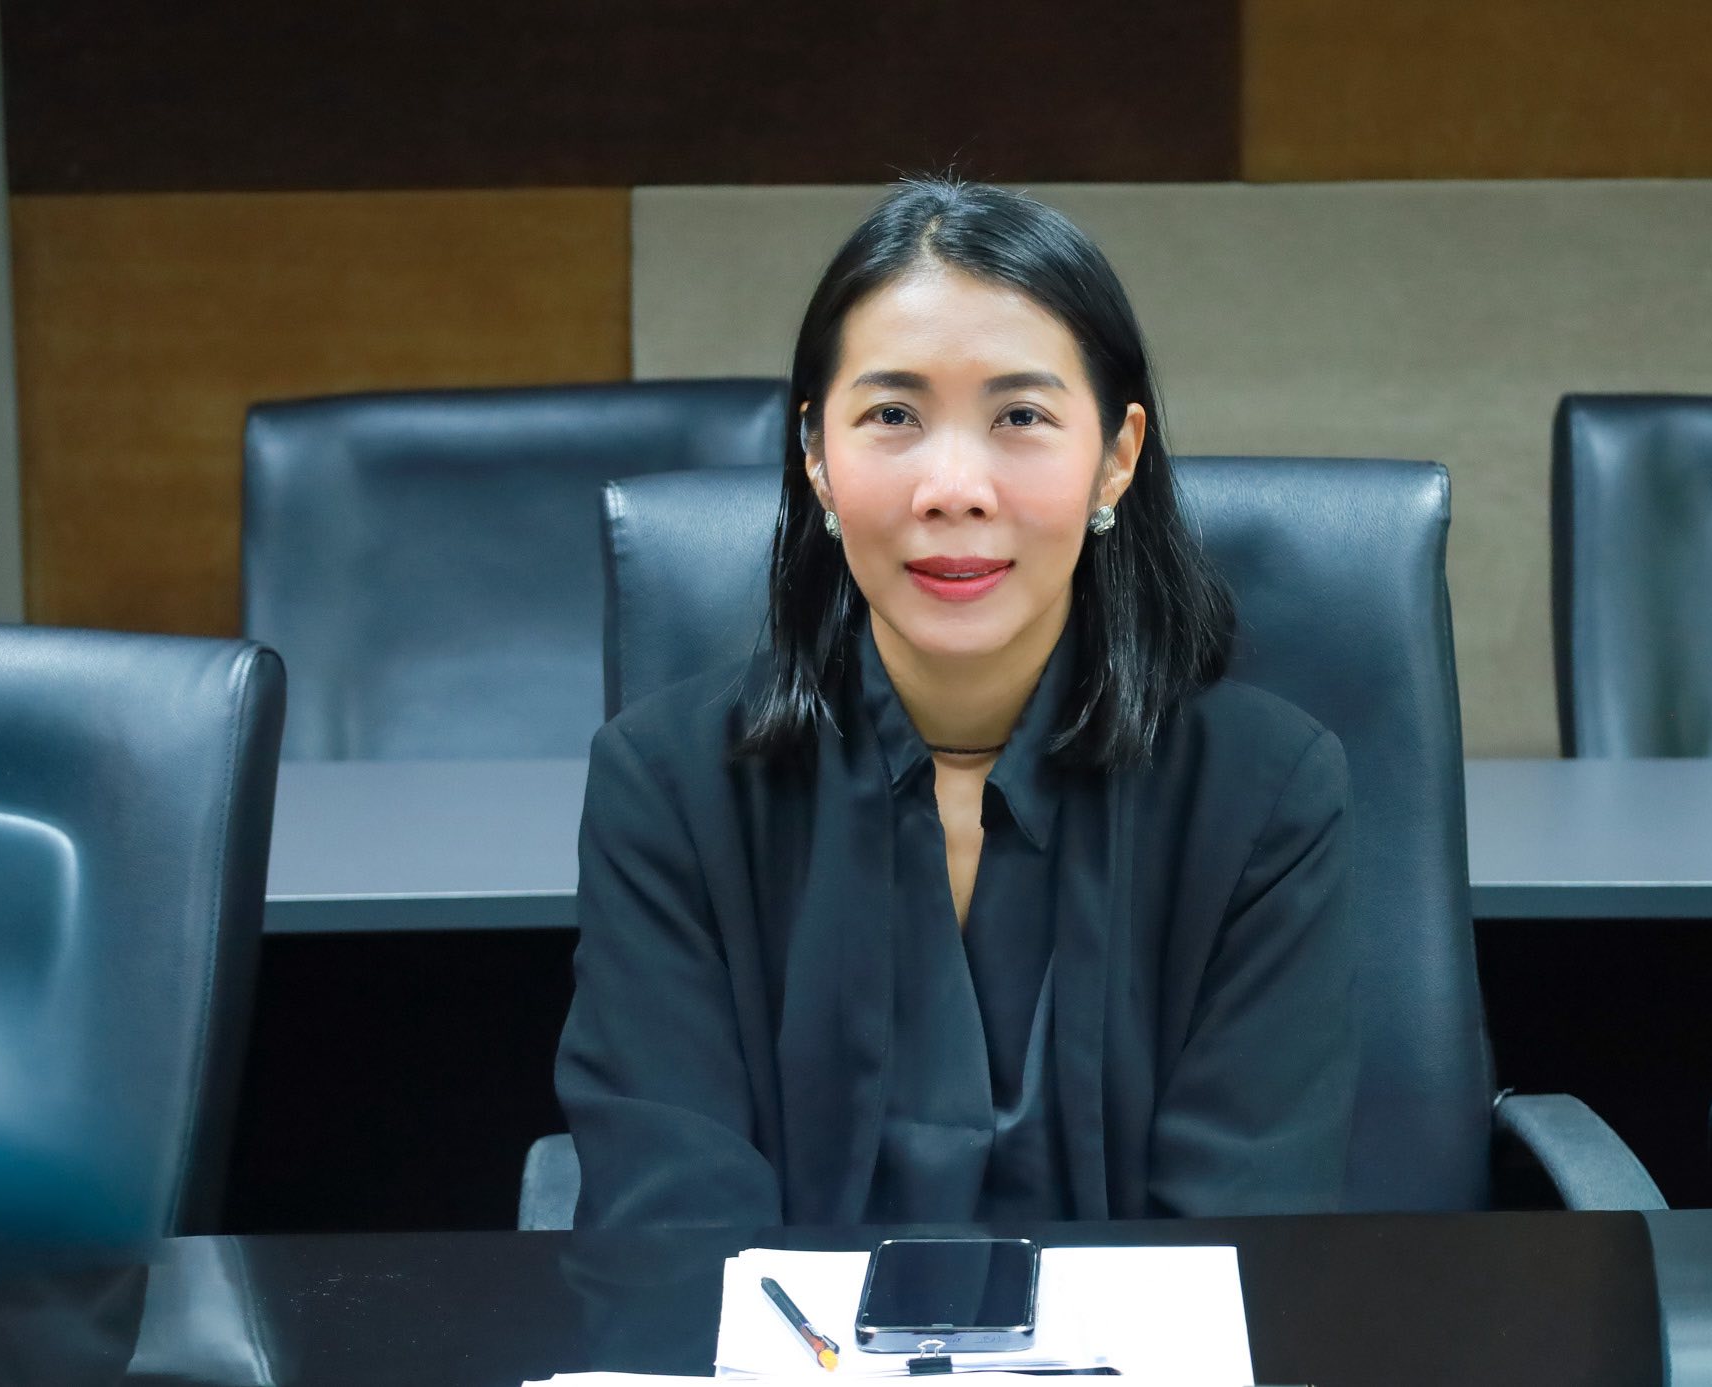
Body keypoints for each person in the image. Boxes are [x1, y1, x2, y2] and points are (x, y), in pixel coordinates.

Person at [557, 177, 1357, 1228]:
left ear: (1115, 459)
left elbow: (1241, 1233)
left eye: (1020, 416)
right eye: (892, 415)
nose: (953, 488)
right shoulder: (665, 788)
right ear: (815, 458)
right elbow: (673, 1222)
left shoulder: (1264, 795)